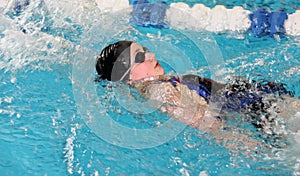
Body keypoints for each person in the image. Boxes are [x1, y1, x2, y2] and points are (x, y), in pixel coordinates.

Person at [95, 40, 300, 150]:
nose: (152, 55)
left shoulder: (159, 83)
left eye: (145, 50)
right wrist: (252, 147)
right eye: (141, 57)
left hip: (249, 100)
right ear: (128, 77)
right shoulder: (160, 91)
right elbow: (207, 123)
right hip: (256, 107)